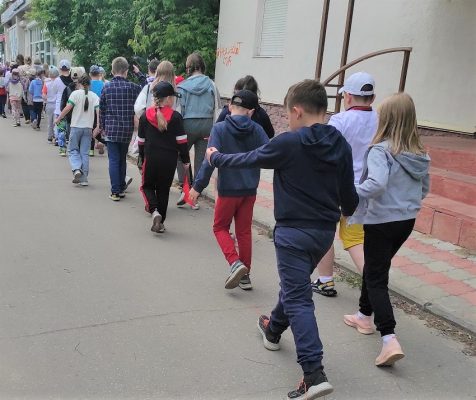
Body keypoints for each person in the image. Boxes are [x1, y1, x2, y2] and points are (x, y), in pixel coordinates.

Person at [206, 80, 358, 400]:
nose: (287, 121)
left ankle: (313, 374)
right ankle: (272, 328)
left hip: (292, 234)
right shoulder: (340, 144)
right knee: (295, 287)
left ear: (297, 110)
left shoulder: (289, 143)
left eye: (288, 115)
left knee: (299, 298)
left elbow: (249, 158)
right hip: (322, 235)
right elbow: (351, 200)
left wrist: (216, 157)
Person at [343, 93, 430, 366]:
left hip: (381, 221)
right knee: (376, 269)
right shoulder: (420, 153)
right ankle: (363, 315)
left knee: (377, 277)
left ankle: (389, 338)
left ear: (387, 119)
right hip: (407, 220)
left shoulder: (381, 150)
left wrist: (351, 190)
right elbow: (424, 188)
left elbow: (376, 184)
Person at [189, 90, 269, 290]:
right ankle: (245, 276)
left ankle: (235, 263)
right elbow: (269, 155)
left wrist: (197, 186)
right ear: (251, 112)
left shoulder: (220, 128)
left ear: (231, 107)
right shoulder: (258, 130)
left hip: (228, 189)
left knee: (219, 227)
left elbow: (209, 160)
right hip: (249, 189)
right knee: (243, 232)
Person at [312, 72, 378, 297]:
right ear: (373, 97)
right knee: (355, 239)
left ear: (348, 97)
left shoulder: (339, 121)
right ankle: (374, 286)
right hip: (364, 189)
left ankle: (325, 281)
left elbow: (326, 151)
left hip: (334, 187)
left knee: (326, 234)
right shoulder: (380, 120)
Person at [137, 81, 190, 233]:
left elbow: (140, 141)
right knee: (163, 190)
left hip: (151, 158)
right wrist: (185, 161)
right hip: (169, 160)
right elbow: (182, 141)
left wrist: (141, 158)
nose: (173, 100)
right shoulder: (176, 117)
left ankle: (155, 212)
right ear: (167, 99)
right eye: (172, 97)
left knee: (146, 186)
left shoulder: (145, 117)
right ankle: (161, 222)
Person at [176, 52, 219, 210]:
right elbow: (217, 108)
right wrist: (215, 128)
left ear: (189, 68)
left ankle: (184, 188)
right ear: (202, 66)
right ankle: (195, 195)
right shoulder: (212, 85)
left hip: (187, 125)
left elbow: (180, 110)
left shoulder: (182, 87)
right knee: (201, 161)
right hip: (207, 124)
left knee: (181, 156)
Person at [99, 57, 141, 201]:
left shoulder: (107, 87)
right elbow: (146, 88)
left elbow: (102, 110)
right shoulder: (132, 87)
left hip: (111, 129)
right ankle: (121, 187)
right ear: (126, 71)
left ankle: (115, 191)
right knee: (122, 159)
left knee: (114, 160)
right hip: (126, 130)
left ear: (112, 70)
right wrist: (139, 74)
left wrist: (101, 128)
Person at [55, 75, 100, 187]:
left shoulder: (75, 94)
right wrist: (98, 126)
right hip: (88, 128)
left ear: (78, 83)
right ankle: (84, 179)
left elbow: (68, 108)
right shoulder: (94, 96)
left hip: (75, 127)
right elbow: (99, 112)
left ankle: (76, 169)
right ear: (89, 84)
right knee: (84, 153)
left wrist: (59, 118)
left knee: (73, 150)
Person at [53, 59, 73, 155]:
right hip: (71, 107)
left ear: (60, 69)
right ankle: (72, 148)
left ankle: (62, 149)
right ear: (69, 69)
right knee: (70, 128)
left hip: (59, 108)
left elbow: (54, 91)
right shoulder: (73, 80)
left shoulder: (57, 80)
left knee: (61, 129)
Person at [89, 65, 106, 156]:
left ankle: (91, 150)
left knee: (91, 127)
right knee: (99, 127)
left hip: (90, 109)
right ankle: (102, 142)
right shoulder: (103, 84)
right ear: (99, 74)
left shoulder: (88, 84)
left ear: (90, 74)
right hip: (100, 109)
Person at [43, 66, 60, 142]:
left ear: (50, 75)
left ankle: (50, 137)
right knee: (56, 121)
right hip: (57, 104)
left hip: (49, 104)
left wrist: (47, 99)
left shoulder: (47, 84)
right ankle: (56, 137)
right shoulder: (59, 83)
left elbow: (43, 95)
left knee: (49, 121)